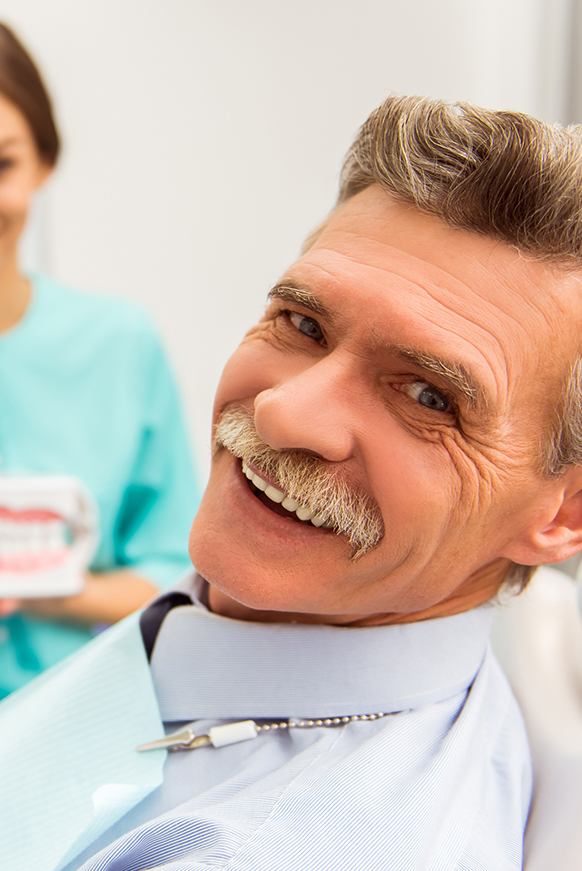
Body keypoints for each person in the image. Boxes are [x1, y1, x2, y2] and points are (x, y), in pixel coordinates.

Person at [3, 92, 582, 871]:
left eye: (427, 397)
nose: (282, 414)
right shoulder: (242, 631)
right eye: (304, 324)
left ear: (564, 513)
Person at [0, 23, 200, 697]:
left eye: (2, 165)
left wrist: (52, 589)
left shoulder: (117, 344)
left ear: (44, 163)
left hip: (65, 728)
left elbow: (177, 576)